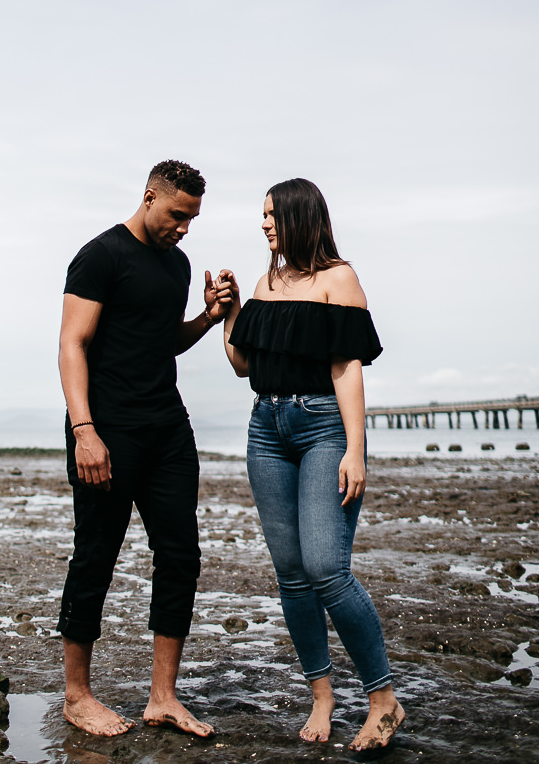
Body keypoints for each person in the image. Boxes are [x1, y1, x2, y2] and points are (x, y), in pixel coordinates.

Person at [221, 178, 405, 752]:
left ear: (300, 217)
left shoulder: (338, 279)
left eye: (273, 214)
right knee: (292, 575)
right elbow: (242, 365)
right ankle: (322, 695)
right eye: (263, 215)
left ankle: (382, 699)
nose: (264, 223)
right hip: (265, 429)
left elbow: (347, 367)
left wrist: (355, 447)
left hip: (323, 425)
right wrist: (228, 315)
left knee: (327, 568)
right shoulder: (264, 283)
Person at [57, 159, 232, 738]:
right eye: (178, 214)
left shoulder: (178, 264)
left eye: (192, 219)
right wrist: (85, 430)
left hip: (167, 428)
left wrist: (208, 318)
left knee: (181, 557)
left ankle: (163, 697)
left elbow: (163, 343)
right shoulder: (100, 255)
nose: (184, 228)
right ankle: (77, 696)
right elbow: (73, 343)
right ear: (150, 196)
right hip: (106, 429)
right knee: (96, 555)